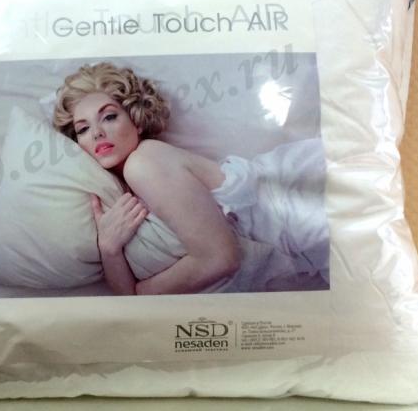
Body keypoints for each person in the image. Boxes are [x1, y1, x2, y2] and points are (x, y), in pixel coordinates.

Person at [52, 62, 329, 296]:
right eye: (83, 129)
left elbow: (221, 259)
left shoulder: (143, 163)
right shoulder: (121, 190)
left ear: (136, 119)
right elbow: (125, 302)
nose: (97, 133)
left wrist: (142, 293)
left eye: (109, 117)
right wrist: (109, 248)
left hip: (307, 199)